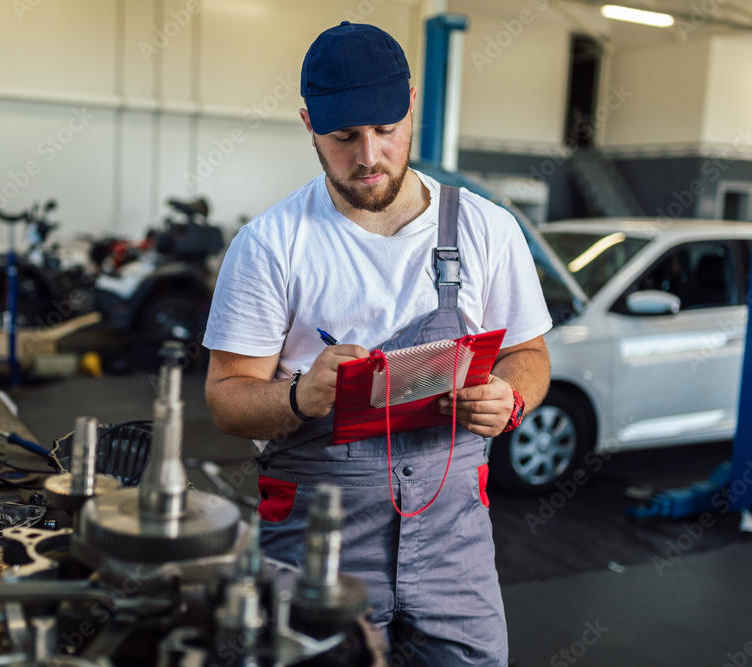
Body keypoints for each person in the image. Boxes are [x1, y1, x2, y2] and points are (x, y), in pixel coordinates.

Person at [203, 21, 551, 667]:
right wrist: (301, 395)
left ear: (411, 105)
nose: (369, 156)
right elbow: (226, 399)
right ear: (309, 122)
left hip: (455, 555)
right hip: (316, 553)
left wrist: (512, 398)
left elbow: (530, 356)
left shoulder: (488, 229)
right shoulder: (270, 245)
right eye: (343, 137)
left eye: (386, 130)